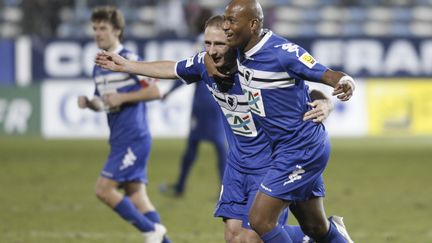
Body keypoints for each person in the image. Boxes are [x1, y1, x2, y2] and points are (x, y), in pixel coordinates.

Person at [95, 15, 337, 243]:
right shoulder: (203, 63)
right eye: (207, 43)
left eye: (219, 43)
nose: (211, 50)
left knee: (253, 236)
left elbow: (302, 91)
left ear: (234, 41)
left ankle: (311, 238)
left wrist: (325, 102)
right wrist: (127, 65)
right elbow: (171, 68)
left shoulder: (256, 67)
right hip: (238, 163)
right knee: (233, 236)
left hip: (269, 162)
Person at [204, 0, 356, 242]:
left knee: (260, 220)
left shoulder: (283, 53)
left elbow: (323, 73)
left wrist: (344, 82)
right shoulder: (239, 51)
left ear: (252, 24)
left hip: (300, 148)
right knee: (315, 227)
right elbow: (204, 57)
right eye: (225, 19)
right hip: (283, 149)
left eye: (232, 20)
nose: (226, 26)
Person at [77, 6, 169, 243]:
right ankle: (161, 237)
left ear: (117, 30)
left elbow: (157, 90)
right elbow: (103, 103)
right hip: (118, 138)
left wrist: (123, 97)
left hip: (134, 136)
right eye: (95, 29)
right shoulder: (99, 64)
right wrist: (89, 103)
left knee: (104, 190)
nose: (98, 33)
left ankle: (150, 231)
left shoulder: (130, 59)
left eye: (103, 28)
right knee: (137, 196)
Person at [159, 8, 227, 197]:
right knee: (218, 144)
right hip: (218, 97)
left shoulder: (202, 40)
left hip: (204, 99)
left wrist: (170, 91)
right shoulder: (222, 39)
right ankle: (223, 188)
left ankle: (182, 186)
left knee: (201, 144)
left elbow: (192, 70)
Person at [159, 79, 227, 197]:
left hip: (209, 108)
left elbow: (184, 76)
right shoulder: (211, 61)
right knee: (212, 148)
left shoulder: (203, 61)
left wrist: (169, 92)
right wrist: (169, 91)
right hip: (207, 109)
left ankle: (224, 189)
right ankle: (180, 186)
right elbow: (184, 76)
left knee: (217, 148)